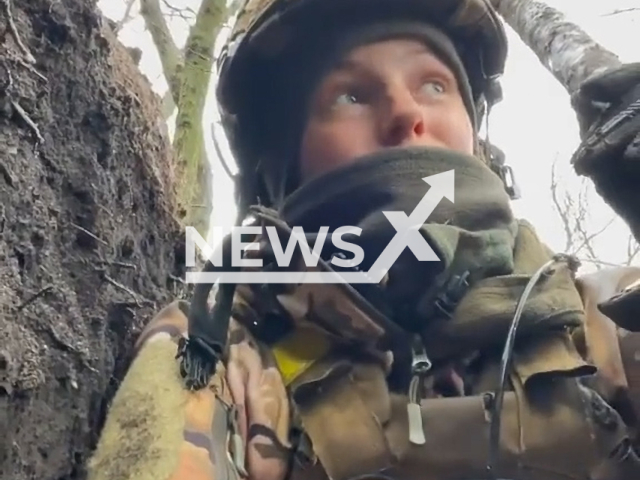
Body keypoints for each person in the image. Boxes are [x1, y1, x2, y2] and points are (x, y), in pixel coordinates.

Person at [87, 1, 640, 479]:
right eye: (350, 95)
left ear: (478, 136)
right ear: (283, 166)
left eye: (434, 84)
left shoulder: (606, 321)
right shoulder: (224, 349)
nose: (406, 112)